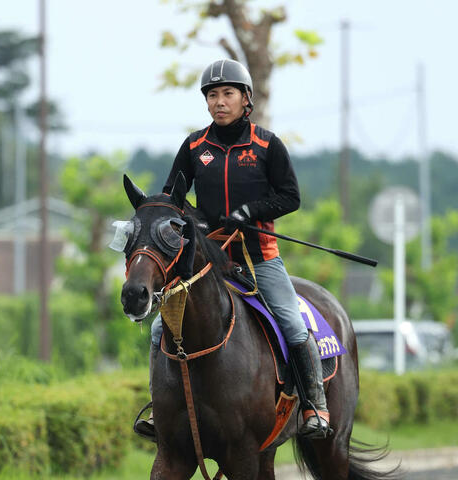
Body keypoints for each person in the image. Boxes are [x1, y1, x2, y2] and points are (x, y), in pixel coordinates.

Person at [138, 58, 331, 440]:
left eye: (227, 93)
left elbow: (290, 197)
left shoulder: (267, 144)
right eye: (212, 95)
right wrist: (197, 222)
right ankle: (160, 411)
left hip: (259, 255)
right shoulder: (194, 146)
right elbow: (174, 198)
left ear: (246, 99)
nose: (219, 101)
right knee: (160, 325)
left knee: (293, 323)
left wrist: (249, 211)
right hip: (210, 259)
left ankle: (315, 406)